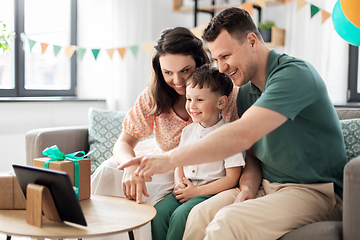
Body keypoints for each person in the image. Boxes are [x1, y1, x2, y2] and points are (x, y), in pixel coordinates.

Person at [119, 7, 348, 240]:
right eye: (216, 58)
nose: (220, 68)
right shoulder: (245, 92)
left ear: (251, 41)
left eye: (226, 56)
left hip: (315, 191)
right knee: (197, 215)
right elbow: (251, 155)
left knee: (227, 223)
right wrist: (248, 188)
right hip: (265, 185)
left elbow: (241, 135)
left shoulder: (294, 75)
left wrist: (167, 159)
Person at [91, 27, 240, 240]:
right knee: (108, 170)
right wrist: (131, 166)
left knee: (152, 201)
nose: (177, 81)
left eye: (185, 70)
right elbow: (123, 143)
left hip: (194, 171)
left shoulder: (224, 96)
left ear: (200, 63)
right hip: (163, 159)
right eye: (168, 72)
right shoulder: (153, 96)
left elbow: (240, 145)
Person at [151, 64, 245, 240]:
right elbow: (179, 162)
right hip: (186, 188)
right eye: (188, 99)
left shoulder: (231, 135)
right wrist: (179, 183)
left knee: (181, 216)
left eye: (199, 100)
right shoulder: (188, 131)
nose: (192, 106)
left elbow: (233, 178)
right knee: (159, 212)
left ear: (221, 102)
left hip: (209, 192)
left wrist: (196, 192)